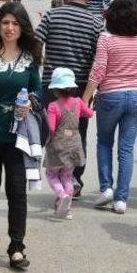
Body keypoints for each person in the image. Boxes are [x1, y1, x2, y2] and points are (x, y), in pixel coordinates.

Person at [0, 2, 42, 269]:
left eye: (15, 23)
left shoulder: (29, 58)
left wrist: (31, 104)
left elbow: (38, 92)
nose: (10, 28)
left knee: (16, 191)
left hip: (18, 135)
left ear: (22, 27)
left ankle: (16, 246)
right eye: (5, 23)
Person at [36, 0, 103, 197]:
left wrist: (43, 63)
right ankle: (73, 177)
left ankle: (57, 177)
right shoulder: (95, 23)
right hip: (80, 89)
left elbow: (36, 42)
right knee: (77, 132)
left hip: (51, 87)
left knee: (52, 131)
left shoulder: (51, 16)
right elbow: (99, 58)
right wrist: (89, 93)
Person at [82, 0, 137, 214]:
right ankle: (121, 199)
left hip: (110, 96)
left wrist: (86, 97)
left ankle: (106, 188)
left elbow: (98, 70)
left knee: (104, 142)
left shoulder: (106, 39)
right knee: (126, 148)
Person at [44, 68, 94, 219]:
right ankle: (68, 209)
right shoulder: (78, 102)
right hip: (74, 145)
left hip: (58, 146)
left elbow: (51, 128)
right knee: (67, 176)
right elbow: (90, 114)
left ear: (55, 90)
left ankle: (62, 195)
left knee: (51, 174)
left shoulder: (53, 106)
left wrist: (46, 141)